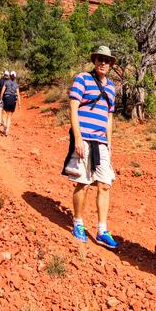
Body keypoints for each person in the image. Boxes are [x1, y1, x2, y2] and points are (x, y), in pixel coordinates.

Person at [62, 46, 119, 249]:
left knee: (104, 184)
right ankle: (78, 223)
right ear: (95, 61)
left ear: (111, 64)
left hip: (101, 142)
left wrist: (109, 143)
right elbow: (73, 107)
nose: (103, 63)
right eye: (99, 59)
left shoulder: (111, 87)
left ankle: (102, 230)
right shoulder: (83, 79)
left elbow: (109, 116)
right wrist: (77, 138)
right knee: (83, 183)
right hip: (84, 138)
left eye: (106, 60)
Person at [0, 71, 21, 136]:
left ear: (10, 76)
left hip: (6, 98)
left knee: (4, 113)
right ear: (15, 77)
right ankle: (7, 130)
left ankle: (5, 126)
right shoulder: (16, 85)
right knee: (9, 116)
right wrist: (19, 104)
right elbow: (18, 94)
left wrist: (1, 99)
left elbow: (2, 91)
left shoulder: (6, 82)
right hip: (13, 99)